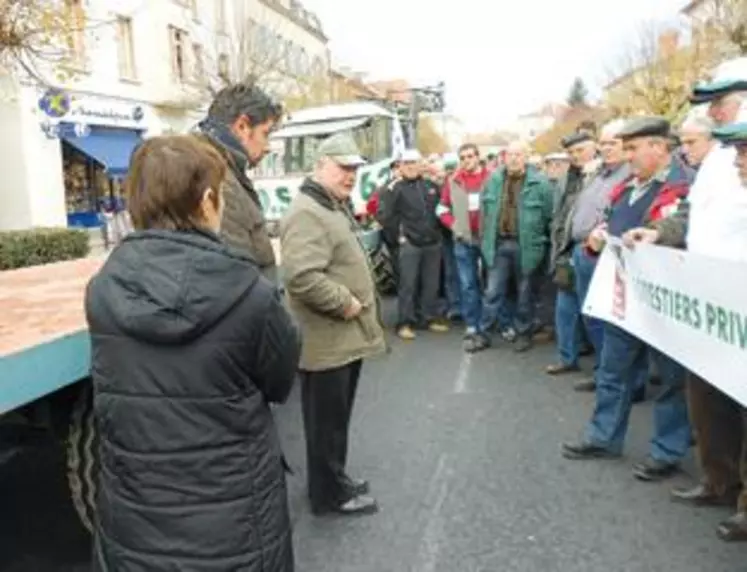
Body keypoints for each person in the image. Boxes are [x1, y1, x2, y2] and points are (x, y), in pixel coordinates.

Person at [87, 135, 301, 571]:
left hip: (136, 517)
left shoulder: (103, 291)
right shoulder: (251, 295)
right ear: (207, 201)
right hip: (235, 521)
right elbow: (279, 382)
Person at [562, 117, 692, 482]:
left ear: (659, 147)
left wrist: (654, 234)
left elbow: (681, 226)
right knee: (613, 370)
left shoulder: (684, 187)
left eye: (633, 148)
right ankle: (603, 437)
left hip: (663, 303)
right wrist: (599, 235)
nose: (627, 156)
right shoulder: (628, 187)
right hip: (626, 298)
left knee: (670, 380)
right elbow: (610, 221)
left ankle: (666, 452)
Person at [280, 132, 387, 516]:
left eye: (355, 169)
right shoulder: (308, 211)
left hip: (341, 340)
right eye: (343, 168)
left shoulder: (328, 205)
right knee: (326, 426)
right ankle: (327, 496)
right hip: (328, 342)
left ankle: (335, 480)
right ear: (320, 165)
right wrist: (345, 304)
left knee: (335, 421)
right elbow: (302, 277)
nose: (350, 176)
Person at [198, 83, 283, 283]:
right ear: (242, 126)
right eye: (265, 133)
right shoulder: (217, 180)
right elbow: (236, 278)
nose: (268, 147)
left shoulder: (224, 170)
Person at [480, 140, 554, 352]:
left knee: (525, 294)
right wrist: (484, 240)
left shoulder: (540, 184)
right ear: (504, 157)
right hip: (499, 245)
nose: (513, 158)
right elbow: (485, 215)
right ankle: (484, 333)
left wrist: (544, 246)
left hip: (527, 247)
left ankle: (523, 333)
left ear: (526, 157)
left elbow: (549, 217)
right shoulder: (493, 180)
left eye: (519, 154)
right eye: (510, 154)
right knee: (492, 291)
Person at [381, 149, 448, 340]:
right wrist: (399, 239)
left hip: (432, 243)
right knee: (408, 285)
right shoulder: (393, 189)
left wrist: (438, 235)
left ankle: (427, 318)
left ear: (421, 165)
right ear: (400, 166)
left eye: (414, 163)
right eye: (406, 163)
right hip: (409, 244)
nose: (411, 167)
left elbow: (441, 211)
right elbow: (386, 217)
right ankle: (405, 323)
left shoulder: (431, 186)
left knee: (431, 284)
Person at [436, 143, 492, 352]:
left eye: (470, 156)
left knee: (492, 284)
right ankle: (472, 324)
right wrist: (454, 226)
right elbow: (441, 208)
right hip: (463, 241)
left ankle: (495, 322)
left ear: (478, 157)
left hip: (487, 240)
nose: (467, 160)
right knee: (468, 284)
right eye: (463, 157)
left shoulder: (492, 178)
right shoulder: (453, 181)